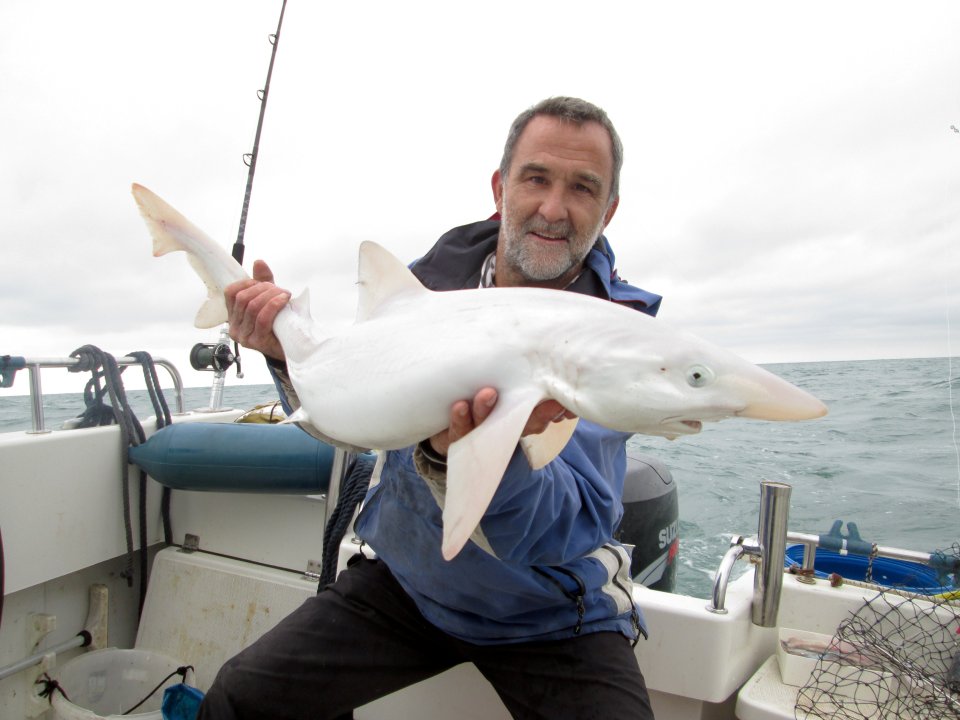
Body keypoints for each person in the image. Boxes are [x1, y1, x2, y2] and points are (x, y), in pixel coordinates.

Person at [199, 97, 662, 720]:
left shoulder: (619, 343)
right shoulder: (424, 291)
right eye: (536, 178)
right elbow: (351, 418)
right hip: (408, 583)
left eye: (583, 188)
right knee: (239, 699)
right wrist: (284, 356)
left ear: (607, 212)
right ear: (500, 189)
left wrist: (471, 460)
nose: (554, 208)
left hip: (549, 615)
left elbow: (563, 531)